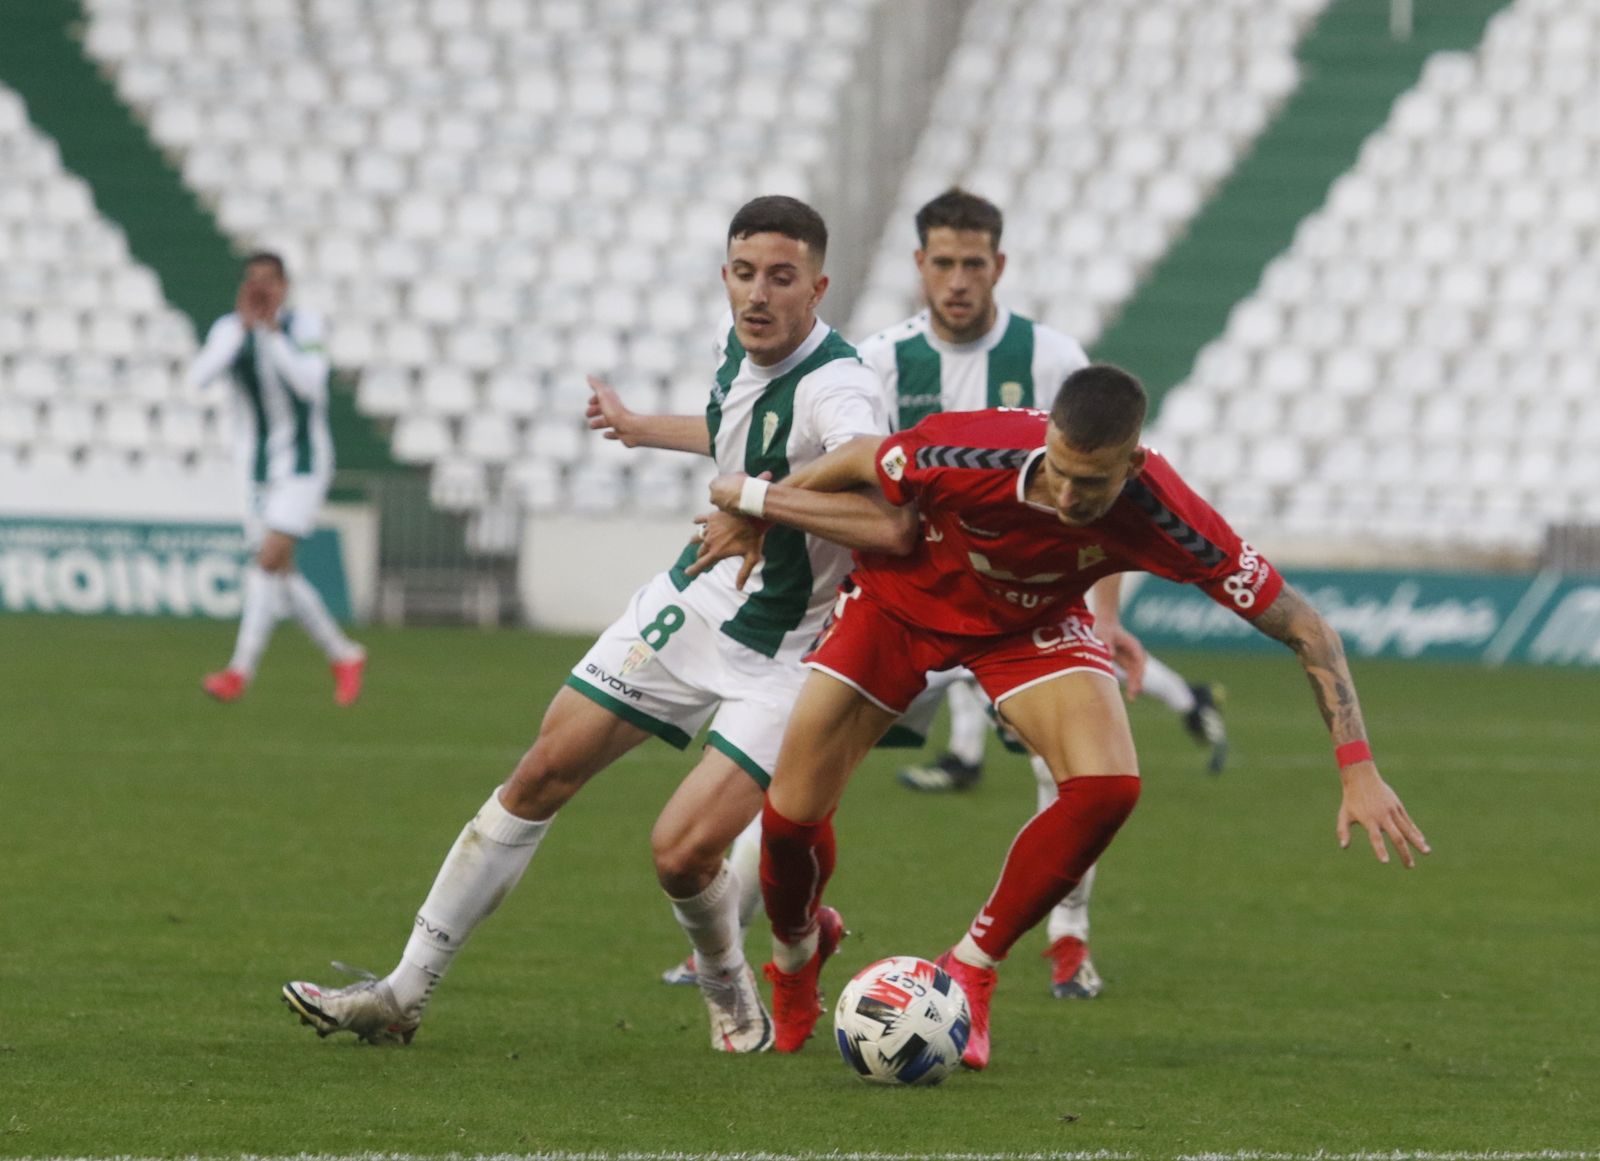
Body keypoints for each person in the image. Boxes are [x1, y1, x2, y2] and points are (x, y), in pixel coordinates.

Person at [280, 196, 894, 1053]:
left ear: (818, 286)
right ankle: (401, 992)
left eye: (782, 278)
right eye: (745, 273)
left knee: (680, 853)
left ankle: (727, 982)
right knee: (541, 770)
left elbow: (879, 503)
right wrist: (645, 430)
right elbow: (742, 433)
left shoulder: (844, 387)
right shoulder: (742, 345)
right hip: (703, 594)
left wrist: (758, 513)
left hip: (792, 650)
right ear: (726, 275)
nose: (759, 294)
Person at [699, 364, 1430, 1068]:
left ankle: (973, 968)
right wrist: (758, 512)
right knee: (791, 818)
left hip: (1029, 624)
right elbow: (861, 457)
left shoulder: (1168, 513)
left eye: (1092, 483)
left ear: (1134, 465)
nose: (1070, 495)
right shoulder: (967, 448)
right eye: (1059, 471)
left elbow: (1306, 625)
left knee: (1109, 785)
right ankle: (795, 956)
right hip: (901, 603)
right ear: (1045, 440)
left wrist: (1357, 767)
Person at [856, 188, 1227, 794]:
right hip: (914, 596)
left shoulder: (1052, 359)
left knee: (1069, 772)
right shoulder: (879, 362)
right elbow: (857, 478)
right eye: (943, 264)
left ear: (998, 267)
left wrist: (1104, 615)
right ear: (919, 263)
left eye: (973, 264)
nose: (958, 281)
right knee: (804, 758)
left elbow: (1107, 496)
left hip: (1028, 597)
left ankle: (1063, 893)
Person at [188, 252, 366, 705]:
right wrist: (246, 331)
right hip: (257, 470)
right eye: (254, 281)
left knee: (267, 562)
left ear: (285, 285)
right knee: (280, 575)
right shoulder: (229, 330)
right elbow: (200, 376)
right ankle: (343, 653)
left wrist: (271, 336)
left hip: (304, 464)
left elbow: (312, 386)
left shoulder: (304, 327)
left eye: (270, 281)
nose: (262, 290)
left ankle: (239, 670)